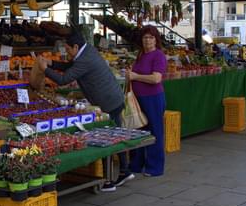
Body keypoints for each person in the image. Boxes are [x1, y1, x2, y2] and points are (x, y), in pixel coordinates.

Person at [38, 31, 131, 192]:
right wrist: (52, 64)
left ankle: (110, 180)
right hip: (111, 98)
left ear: (75, 46)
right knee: (115, 134)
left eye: (67, 49)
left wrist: (45, 70)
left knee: (108, 137)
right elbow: (70, 66)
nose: (66, 52)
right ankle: (124, 170)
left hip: (108, 101)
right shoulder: (87, 51)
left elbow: (63, 79)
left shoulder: (85, 59)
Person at [126, 25, 167, 177]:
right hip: (138, 99)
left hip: (153, 98)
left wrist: (135, 76)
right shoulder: (140, 55)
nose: (147, 40)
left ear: (156, 40)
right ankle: (136, 164)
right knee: (137, 130)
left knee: (155, 131)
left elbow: (156, 78)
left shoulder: (158, 56)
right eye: (145, 37)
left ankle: (155, 167)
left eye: (150, 37)